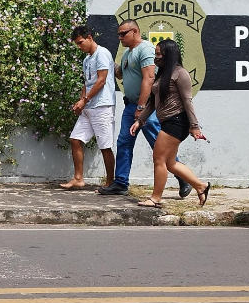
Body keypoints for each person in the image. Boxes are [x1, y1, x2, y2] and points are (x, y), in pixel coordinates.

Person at [98, 20, 192, 197]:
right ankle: (121, 183)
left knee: (160, 145)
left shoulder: (146, 49)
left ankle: (183, 178)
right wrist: (107, 61)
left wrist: (141, 107)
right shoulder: (128, 53)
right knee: (124, 143)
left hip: (147, 106)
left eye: (123, 34)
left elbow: (149, 78)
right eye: (118, 34)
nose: (120, 38)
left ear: (134, 31)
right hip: (130, 105)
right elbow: (121, 74)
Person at [130, 39, 210, 208]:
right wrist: (140, 121)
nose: (156, 58)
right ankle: (200, 186)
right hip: (167, 121)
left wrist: (195, 126)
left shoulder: (180, 73)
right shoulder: (162, 74)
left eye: (159, 54)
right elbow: (152, 102)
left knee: (159, 158)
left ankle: (156, 198)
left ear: (169, 54)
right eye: (155, 54)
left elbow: (187, 101)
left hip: (177, 121)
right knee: (170, 163)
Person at [60, 25, 116, 190]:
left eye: (80, 42)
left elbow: (101, 80)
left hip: (102, 105)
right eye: (77, 43)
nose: (79, 46)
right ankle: (78, 178)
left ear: (90, 38)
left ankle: (110, 182)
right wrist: (81, 101)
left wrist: (85, 100)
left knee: (105, 146)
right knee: (75, 140)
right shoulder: (86, 59)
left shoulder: (102, 53)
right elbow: (87, 82)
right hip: (89, 106)